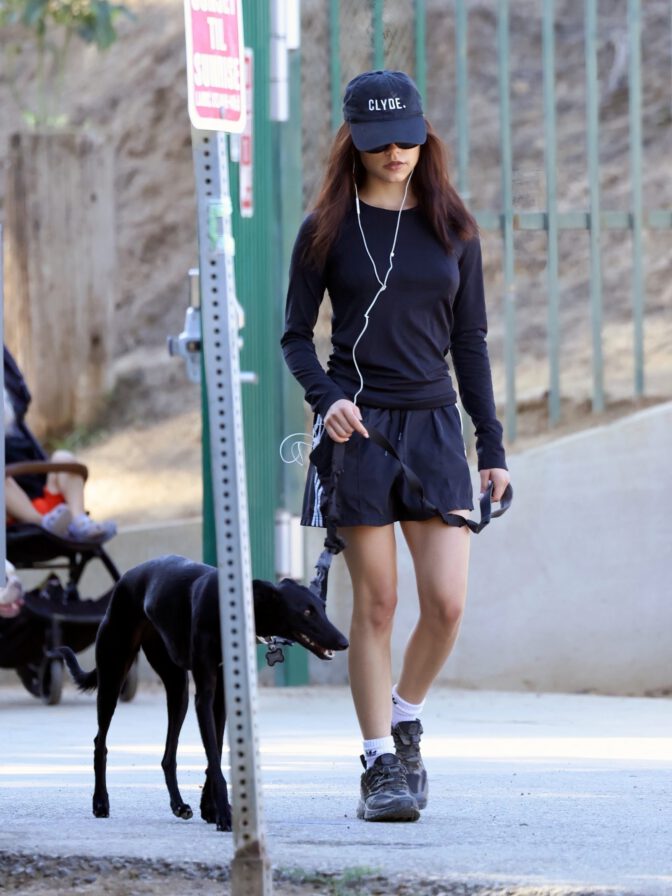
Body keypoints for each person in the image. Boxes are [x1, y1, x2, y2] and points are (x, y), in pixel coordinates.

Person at [281, 70, 511, 823]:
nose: (397, 153)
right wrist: (329, 401)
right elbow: (295, 337)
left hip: (437, 426)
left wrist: (492, 446)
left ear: (424, 133)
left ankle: (405, 716)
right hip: (361, 431)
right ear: (354, 140)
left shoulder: (453, 225)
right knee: (376, 603)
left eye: (409, 137)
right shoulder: (326, 229)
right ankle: (379, 761)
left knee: (446, 603)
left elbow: (470, 342)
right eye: (381, 142)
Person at [4, 345, 116, 543]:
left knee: (63, 457)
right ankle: (43, 524)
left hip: (52, 506)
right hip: (17, 516)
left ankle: (79, 520)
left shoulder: (16, 432)